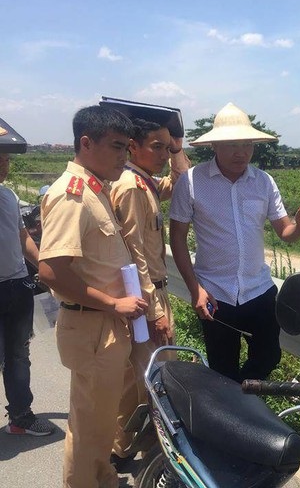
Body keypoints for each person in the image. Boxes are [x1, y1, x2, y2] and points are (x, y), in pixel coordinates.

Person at [38, 105, 148, 488]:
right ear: (86, 143)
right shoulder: (73, 195)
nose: (125, 156)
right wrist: (114, 303)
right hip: (93, 325)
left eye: (128, 148)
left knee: (99, 426)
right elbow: (51, 271)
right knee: (89, 429)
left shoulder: (96, 190)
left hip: (103, 324)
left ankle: (102, 480)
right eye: (118, 147)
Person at [169, 102, 300, 382]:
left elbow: (286, 233)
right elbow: (176, 238)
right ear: (214, 146)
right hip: (214, 291)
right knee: (222, 367)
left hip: (258, 289)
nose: (241, 152)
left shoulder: (263, 182)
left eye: (247, 144)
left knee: (269, 356)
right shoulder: (191, 182)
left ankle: (243, 399)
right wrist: (195, 289)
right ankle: (229, 411)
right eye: (232, 144)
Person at [109, 117, 190, 467]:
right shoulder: (130, 187)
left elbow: (181, 178)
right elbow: (134, 253)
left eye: (165, 146)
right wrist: (154, 310)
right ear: (133, 147)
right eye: (156, 146)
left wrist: (177, 147)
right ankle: (120, 447)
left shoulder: (146, 184)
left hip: (155, 291)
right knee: (143, 374)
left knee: (151, 371)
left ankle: (132, 440)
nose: (163, 153)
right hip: (146, 296)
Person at [0, 121, 54, 437]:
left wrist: (46, 268)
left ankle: (20, 416)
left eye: (6, 159)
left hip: (16, 286)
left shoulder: (7, 197)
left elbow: (23, 238)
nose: (4, 165)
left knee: (19, 355)